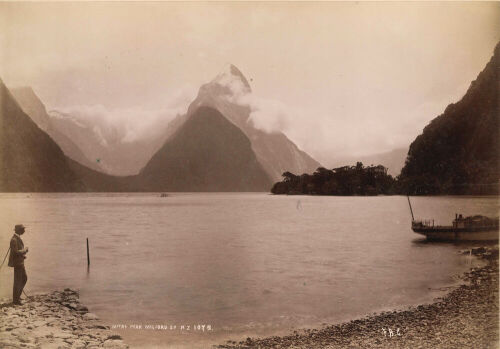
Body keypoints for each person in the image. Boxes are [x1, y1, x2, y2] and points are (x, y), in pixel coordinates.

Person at [8, 224, 28, 305]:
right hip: (17, 264)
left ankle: (17, 297)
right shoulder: (14, 240)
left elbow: (16, 252)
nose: (24, 231)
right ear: (18, 230)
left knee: (23, 279)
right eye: (23, 229)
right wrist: (25, 250)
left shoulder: (16, 238)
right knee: (18, 281)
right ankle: (16, 300)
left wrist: (23, 256)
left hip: (20, 262)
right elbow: (16, 252)